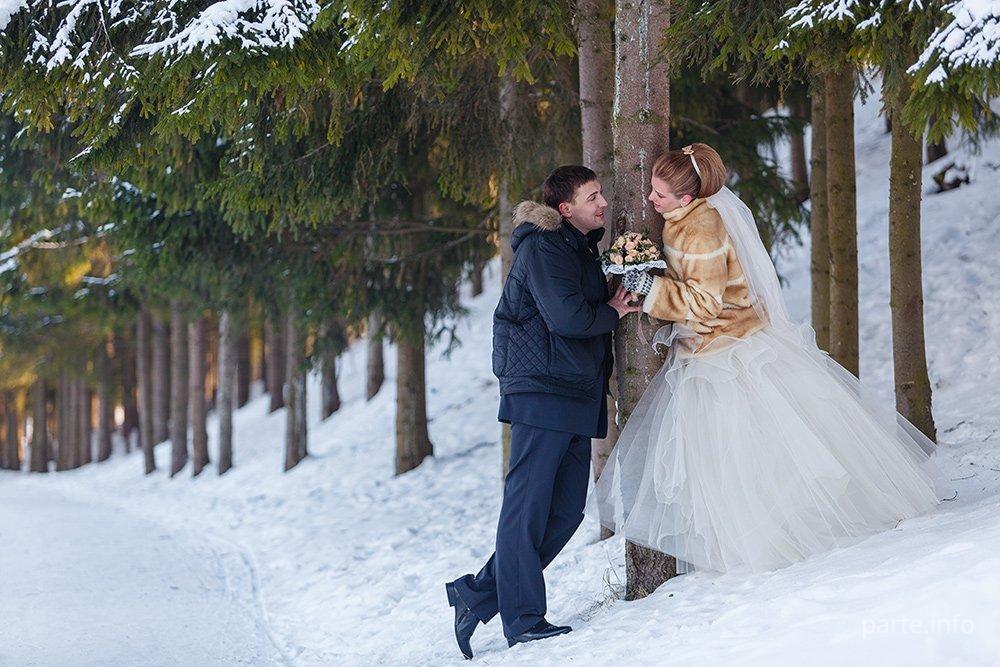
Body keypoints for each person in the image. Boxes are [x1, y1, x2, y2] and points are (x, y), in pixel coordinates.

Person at [587, 143, 948, 575]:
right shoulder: (683, 219)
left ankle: (768, 541)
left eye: (659, 194)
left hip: (725, 351)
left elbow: (705, 305)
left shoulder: (700, 229)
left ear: (686, 197)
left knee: (745, 455)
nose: (650, 199)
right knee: (728, 458)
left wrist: (649, 289)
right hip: (706, 349)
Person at [445, 166, 640, 659]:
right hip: (542, 392)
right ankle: (525, 621)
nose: (603, 203)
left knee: (566, 512)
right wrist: (614, 311)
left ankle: (478, 594)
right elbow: (568, 317)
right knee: (526, 510)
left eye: (601, 194)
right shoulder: (544, 247)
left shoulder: (577, 248)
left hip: (571, 392)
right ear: (564, 209)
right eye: (592, 197)